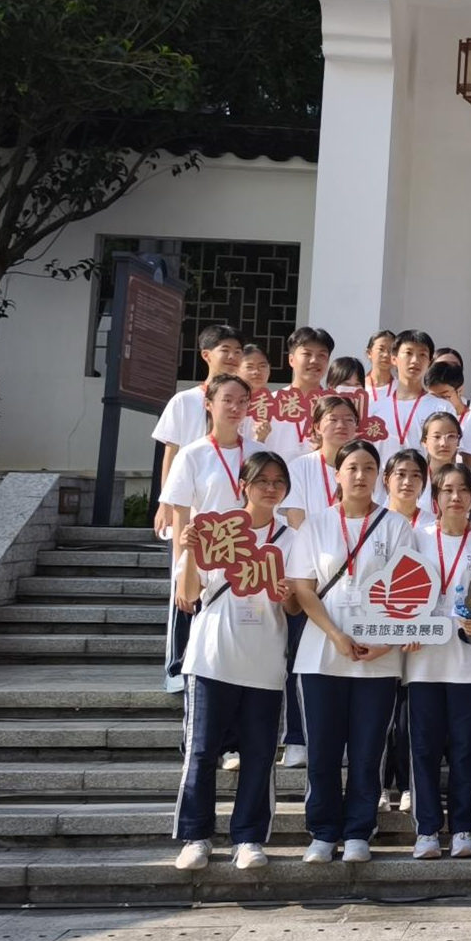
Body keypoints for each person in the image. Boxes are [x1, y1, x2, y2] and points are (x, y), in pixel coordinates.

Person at [283, 441, 407, 864]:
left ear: (379, 477)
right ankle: (322, 831)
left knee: (368, 750)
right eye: (351, 467)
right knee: (322, 749)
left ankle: (358, 831)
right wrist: (335, 634)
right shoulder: (316, 525)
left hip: (378, 655)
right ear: (336, 474)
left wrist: (386, 642)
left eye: (369, 468)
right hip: (322, 653)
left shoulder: (395, 526)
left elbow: (408, 591)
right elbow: (303, 588)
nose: (359, 475)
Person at [171, 447, 294, 872]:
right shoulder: (214, 530)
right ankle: (196, 836)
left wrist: (288, 595)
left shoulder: (291, 538)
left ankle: (248, 838)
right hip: (211, 659)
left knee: (259, 755)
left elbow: (294, 606)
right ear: (244, 485)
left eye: (278, 482)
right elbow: (188, 595)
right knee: (202, 751)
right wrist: (190, 550)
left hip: (265, 662)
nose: (270, 489)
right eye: (262, 481)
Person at [407, 463, 471, 860]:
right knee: (423, 747)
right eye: (447, 490)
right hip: (422, 659)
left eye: (463, 490)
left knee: (465, 748)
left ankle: (463, 829)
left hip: (469, 661)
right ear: (435, 499)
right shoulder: (417, 538)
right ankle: (426, 829)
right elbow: (401, 592)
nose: (455, 497)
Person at [157, 373, 257, 693]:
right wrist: (181, 569)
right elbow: (181, 514)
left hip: (245, 553)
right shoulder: (192, 454)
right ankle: (182, 675)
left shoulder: (258, 453)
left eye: (242, 401)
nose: (236, 408)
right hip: (204, 553)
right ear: (209, 404)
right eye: (227, 400)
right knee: (196, 622)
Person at [151, 323, 245, 501]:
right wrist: (167, 502)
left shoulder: (244, 402)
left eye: (238, 351)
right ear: (206, 355)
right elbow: (171, 453)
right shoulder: (184, 401)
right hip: (190, 494)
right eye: (225, 350)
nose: (232, 356)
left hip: (232, 493)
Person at [268, 326, 335, 463]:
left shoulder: (335, 406)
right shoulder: (270, 402)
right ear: (291, 360)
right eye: (307, 354)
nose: (314, 360)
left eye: (322, 355)